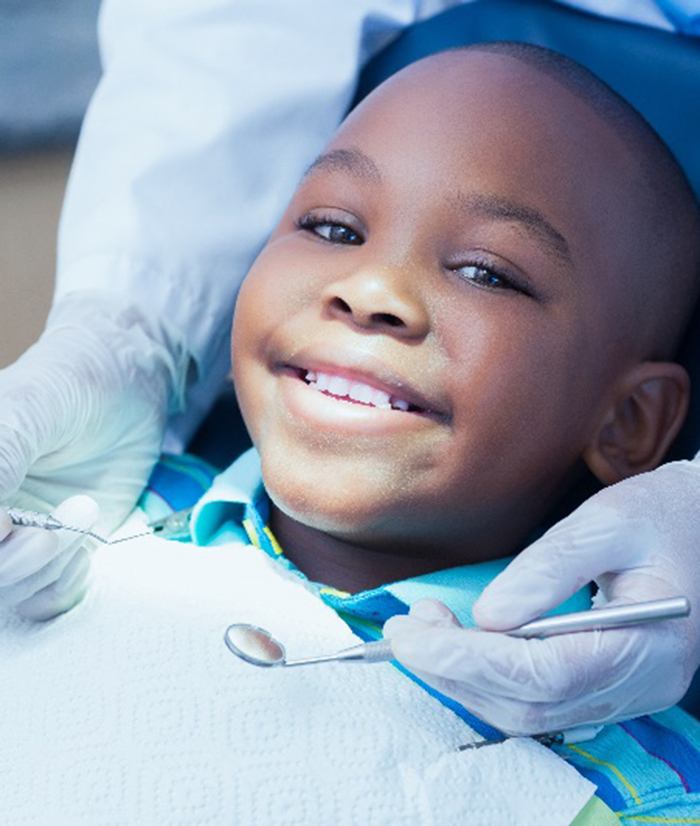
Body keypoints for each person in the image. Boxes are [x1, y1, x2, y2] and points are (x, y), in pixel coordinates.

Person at [5, 43, 700, 824]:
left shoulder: (634, 788)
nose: (371, 291)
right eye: (333, 228)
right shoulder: (62, 534)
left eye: (485, 272)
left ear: (628, 421)